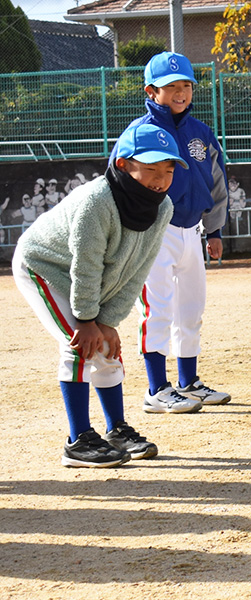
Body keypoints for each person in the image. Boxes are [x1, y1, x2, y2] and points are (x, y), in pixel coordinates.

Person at [12, 124, 186, 467]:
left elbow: (138, 269)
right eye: (150, 168)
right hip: (45, 266)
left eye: (168, 170)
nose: (160, 179)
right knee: (80, 343)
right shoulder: (97, 201)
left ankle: (116, 430)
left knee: (106, 345)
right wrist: (89, 320)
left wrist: (107, 322)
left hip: (85, 279)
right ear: (123, 164)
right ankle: (77, 441)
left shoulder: (161, 207)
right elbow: (85, 266)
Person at [113, 51, 231, 414]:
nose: (180, 92)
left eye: (186, 85)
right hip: (153, 231)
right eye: (170, 87)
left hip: (192, 229)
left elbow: (216, 182)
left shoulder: (200, 132)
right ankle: (156, 388)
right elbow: (115, 182)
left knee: (191, 308)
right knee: (158, 308)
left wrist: (214, 230)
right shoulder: (140, 133)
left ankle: (188, 382)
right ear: (151, 91)